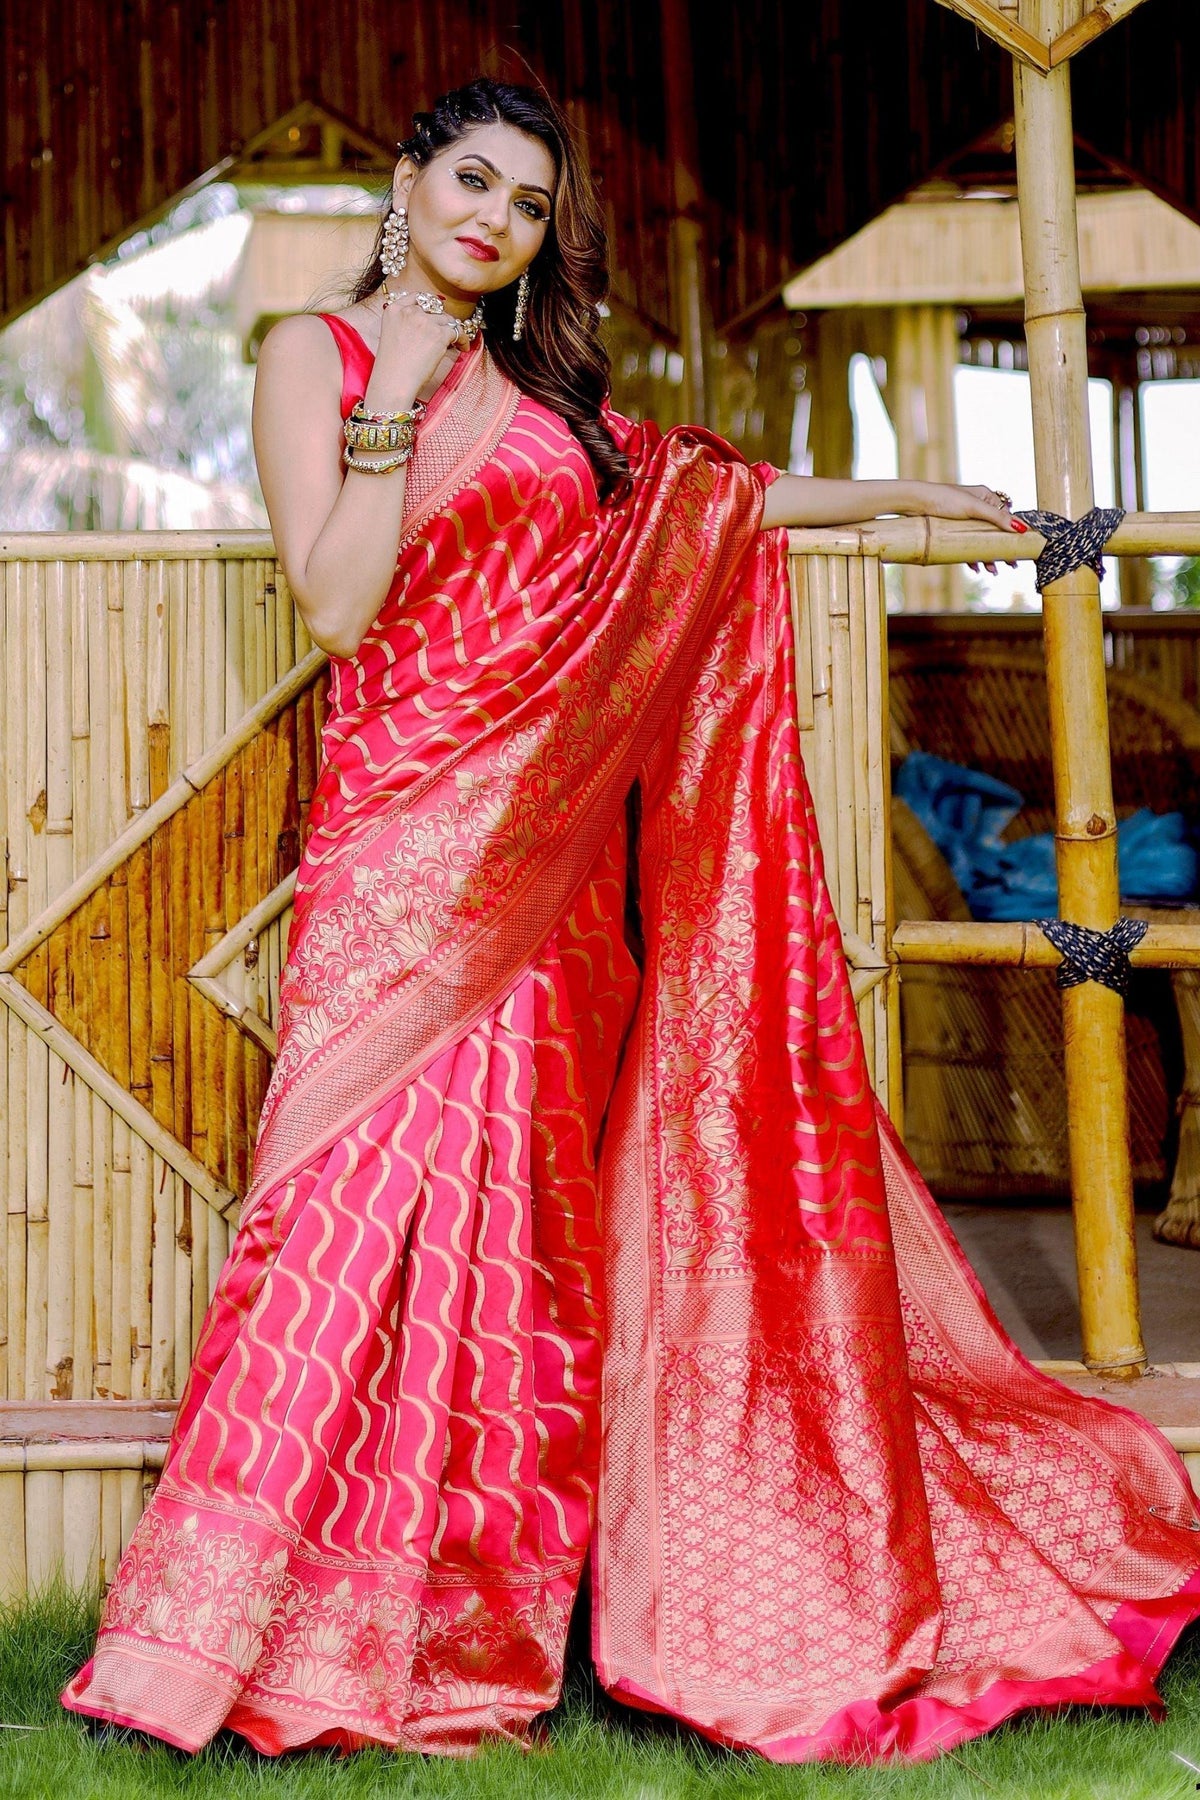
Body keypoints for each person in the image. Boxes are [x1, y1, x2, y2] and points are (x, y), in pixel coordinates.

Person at [62, 77, 1200, 1762]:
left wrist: (914, 501)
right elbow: (337, 598)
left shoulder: (549, 397)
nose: (493, 222)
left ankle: (474, 1622)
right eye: (472, 181)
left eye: (527, 206)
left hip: (553, 878)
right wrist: (402, 401)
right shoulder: (317, 354)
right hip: (399, 862)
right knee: (337, 1226)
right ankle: (245, 1628)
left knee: (514, 1235)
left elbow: (709, 504)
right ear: (407, 180)